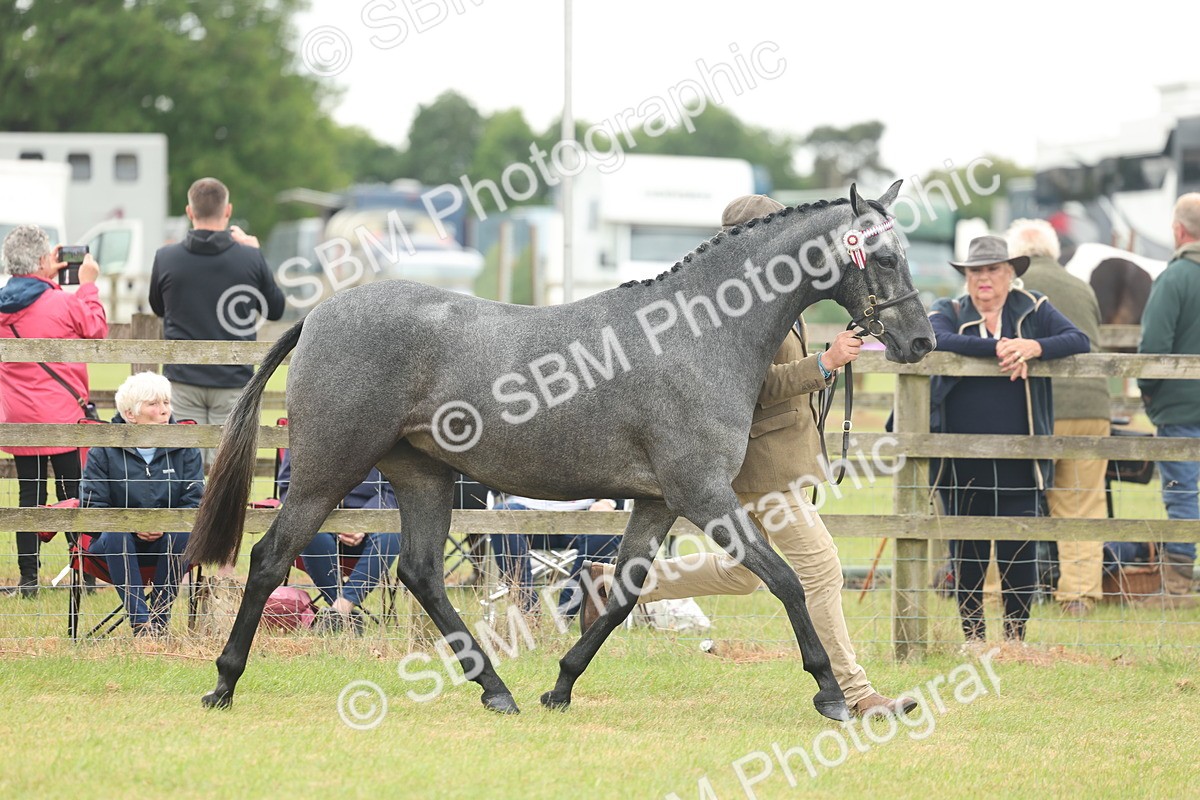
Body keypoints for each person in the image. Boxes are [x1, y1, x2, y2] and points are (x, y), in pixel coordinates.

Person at [582, 194, 912, 717]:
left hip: (774, 457)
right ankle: (857, 692)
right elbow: (754, 388)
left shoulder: (769, 296)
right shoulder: (736, 303)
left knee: (745, 575)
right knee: (822, 571)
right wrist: (824, 363)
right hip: (760, 466)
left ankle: (618, 585)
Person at [930, 236, 1090, 646]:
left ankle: (1016, 638)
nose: (983, 278)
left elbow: (1078, 340)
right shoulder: (949, 311)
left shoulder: (1033, 307)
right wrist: (999, 348)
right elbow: (936, 339)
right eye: (975, 271)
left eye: (993, 270)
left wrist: (1034, 345)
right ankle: (974, 637)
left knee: (1019, 546)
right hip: (961, 457)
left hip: (1023, 454)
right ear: (966, 277)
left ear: (1011, 274)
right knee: (969, 550)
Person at [1006, 219, 1110, 616]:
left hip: (1039, 410)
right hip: (1092, 407)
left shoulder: (1016, 288)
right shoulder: (1081, 285)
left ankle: (998, 591)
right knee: (1081, 503)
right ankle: (1079, 597)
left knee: (1013, 500)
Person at [0, 225, 108, 597]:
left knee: (29, 498)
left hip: (18, 419)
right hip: (63, 416)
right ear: (44, 260)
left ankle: (28, 580)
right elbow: (95, 327)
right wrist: (87, 283)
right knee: (74, 494)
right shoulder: (61, 302)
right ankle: (85, 575)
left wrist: (48, 275)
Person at [148, 177, 285, 461]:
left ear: (189, 211)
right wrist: (256, 253)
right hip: (234, 380)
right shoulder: (250, 258)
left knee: (185, 472)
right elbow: (275, 309)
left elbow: (158, 307)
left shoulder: (166, 257)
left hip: (183, 379)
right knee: (230, 474)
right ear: (228, 210)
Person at [80, 373, 203, 636]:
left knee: (184, 534)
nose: (164, 411)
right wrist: (134, 526)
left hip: (170, 541)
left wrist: (163, 525)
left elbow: (195, 502)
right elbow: (93, 506)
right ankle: (141, 625)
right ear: (130, 414)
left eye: (167, 402)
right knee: (115, 534)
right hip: (115, 545)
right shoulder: (102, 449)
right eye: (153, 404)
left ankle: (158, 622)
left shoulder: (185, 447)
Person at [1134, 192, 1200, 597]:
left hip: (1180, 406)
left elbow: (1154, 346)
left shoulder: (1175, 278)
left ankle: (1177, 582)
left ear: (1178, 230)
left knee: (1182, 492)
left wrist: (1147, 391)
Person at [277, 452, 402, 634]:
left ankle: (339, 610)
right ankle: (346, 615)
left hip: (375, 522)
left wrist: (363, 521)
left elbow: (397, 488)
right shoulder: (309, 425)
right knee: (305, 530)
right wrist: (332, 520)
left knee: (393, 533)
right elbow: (289, 486)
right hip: (321, 523)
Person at [489, 494, 622, 621]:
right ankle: (528, 613)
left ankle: (565, 613)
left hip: (586, 512)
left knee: (607, 525)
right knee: (501, 514)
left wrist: (608, 501)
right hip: (523, 510)